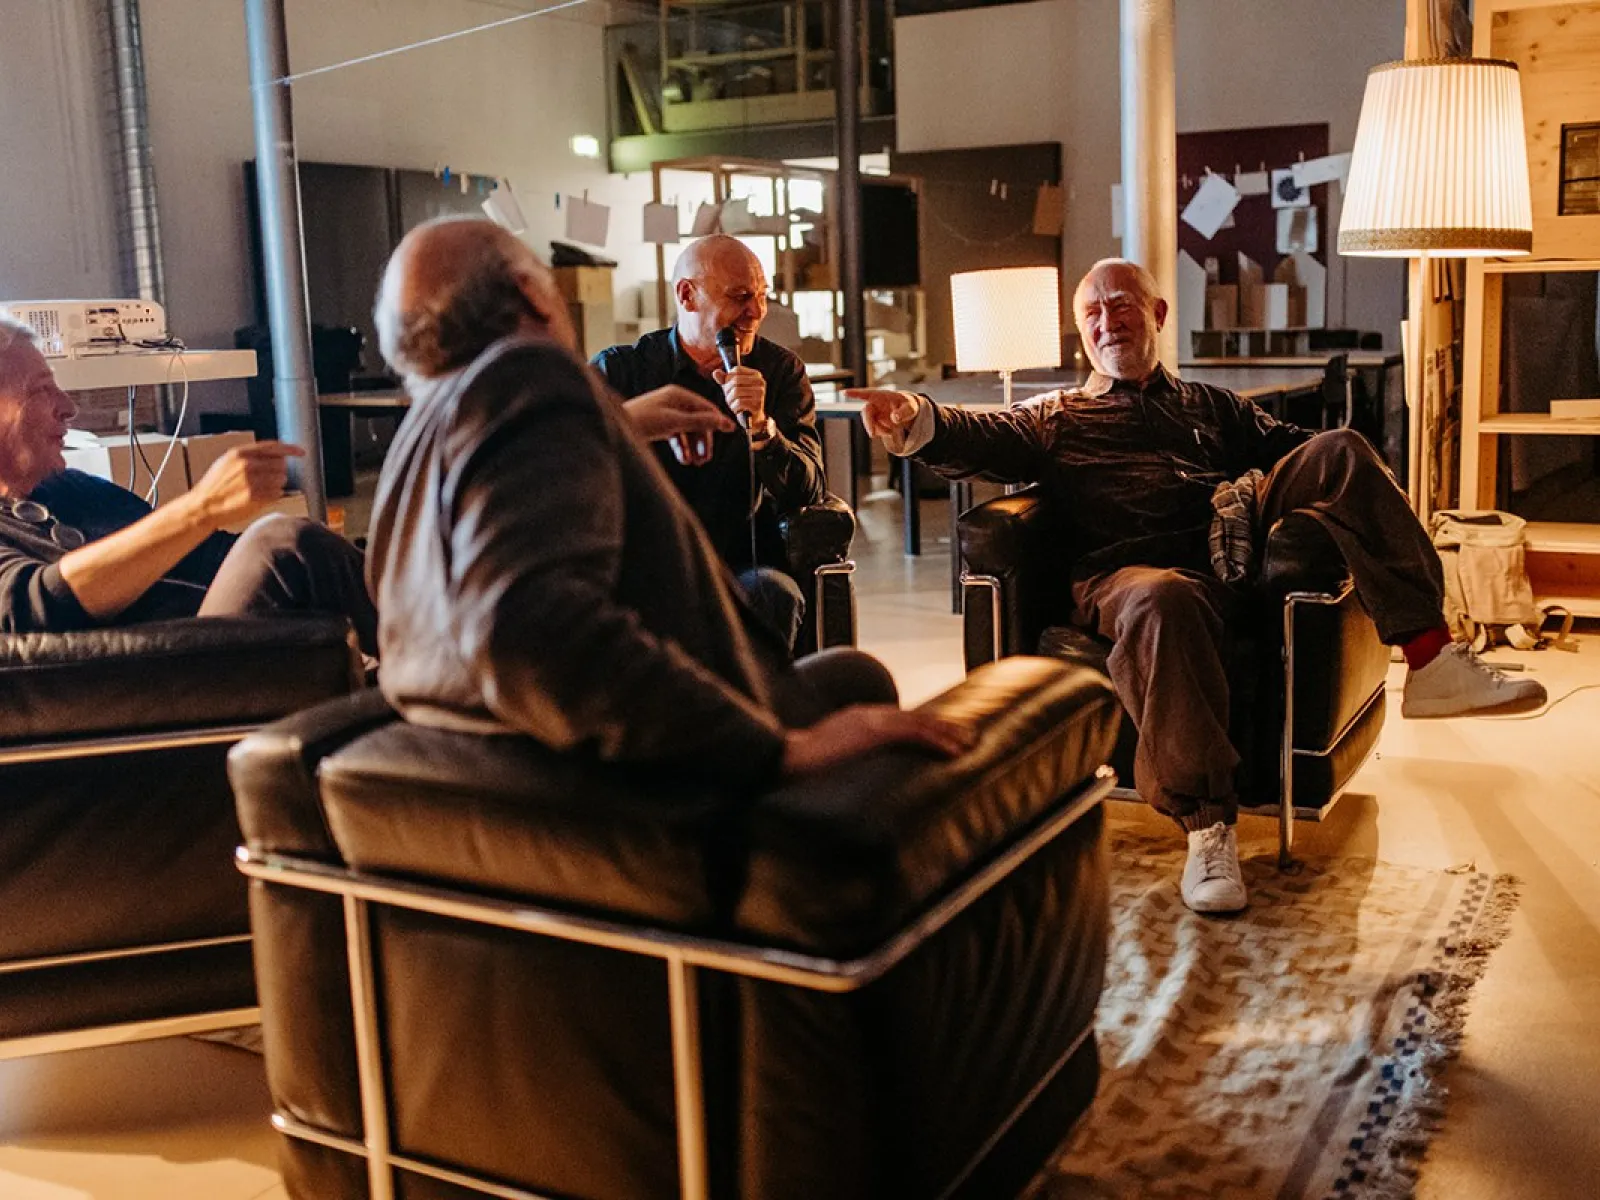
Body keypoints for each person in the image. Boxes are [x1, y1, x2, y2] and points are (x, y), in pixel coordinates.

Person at [848, 258, 1546, 915]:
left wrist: (1298, 492)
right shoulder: (1054, 415)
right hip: (1126, 578)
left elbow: (1297, 451)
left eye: (1122, 305)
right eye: (1092, 313)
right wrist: (915, 415)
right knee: (1166, 598)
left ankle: (1431, 658)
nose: (1107, 322)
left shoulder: (1213, 407)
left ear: (1156, 313)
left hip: (1224, 563)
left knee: (1342, 449)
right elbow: (978, 433)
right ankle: (1209, 831)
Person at [366, 216, 967, 785]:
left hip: (496, 761)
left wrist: (626, 426)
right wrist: (777, 751)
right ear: (532, 294)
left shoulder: (427, 425)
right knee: (860, 689)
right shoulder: (543, 377)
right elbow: (532, 633)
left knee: (849, 673)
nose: (755, 312)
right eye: (740, 297)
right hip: (655, 768)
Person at [0, 315, 377, 651]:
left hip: (202, 648)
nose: (68, 407)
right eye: (41, 390)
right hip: (149, 682)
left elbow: (211, 554)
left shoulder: (72, 489)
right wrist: (202, 507)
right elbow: (34, 608)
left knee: (298, 546)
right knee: (282, 545)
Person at [593, 235, 827, 651]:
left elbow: (809, 489)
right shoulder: (621, 370)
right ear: (687, 295)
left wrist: (763, 429)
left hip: (742, 564)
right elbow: (570, 463)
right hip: (647, 562)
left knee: (774, 594)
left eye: (761, 296)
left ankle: (756, 696)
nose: (756, 311)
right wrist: (631, 423)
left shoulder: (781, 371)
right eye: (740, 297)